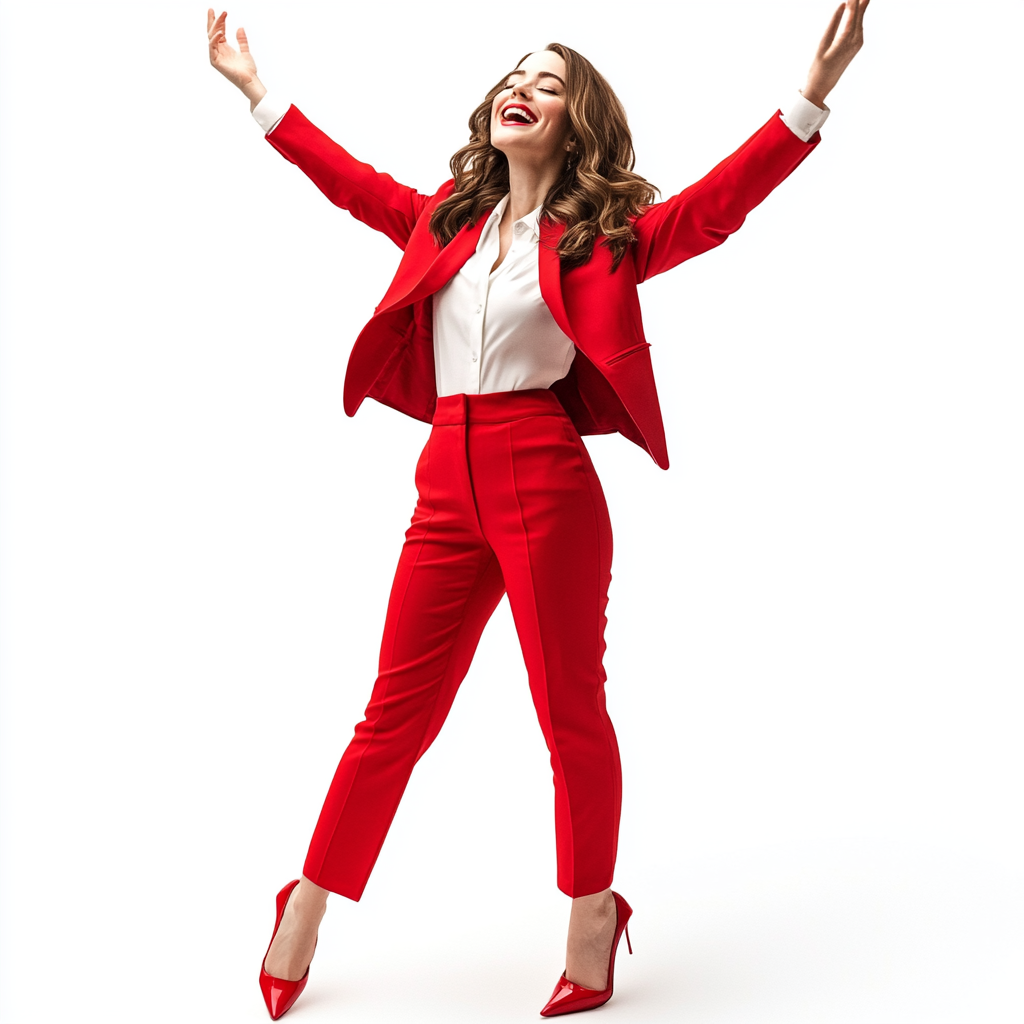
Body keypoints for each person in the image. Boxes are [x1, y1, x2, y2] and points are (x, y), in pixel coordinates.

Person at [207, 4, 868, 1017]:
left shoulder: (605, 240)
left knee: (569, 715)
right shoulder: (442, 219)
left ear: (577, 123)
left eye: (550, 82)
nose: (524, 86)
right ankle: (305, 901)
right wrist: (259, 93)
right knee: (392, 717)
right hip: (444, 481)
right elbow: (346, 182)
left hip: (544, 481)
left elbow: (716, 207)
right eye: (516, 73)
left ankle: (592, 914)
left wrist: (809, 96)